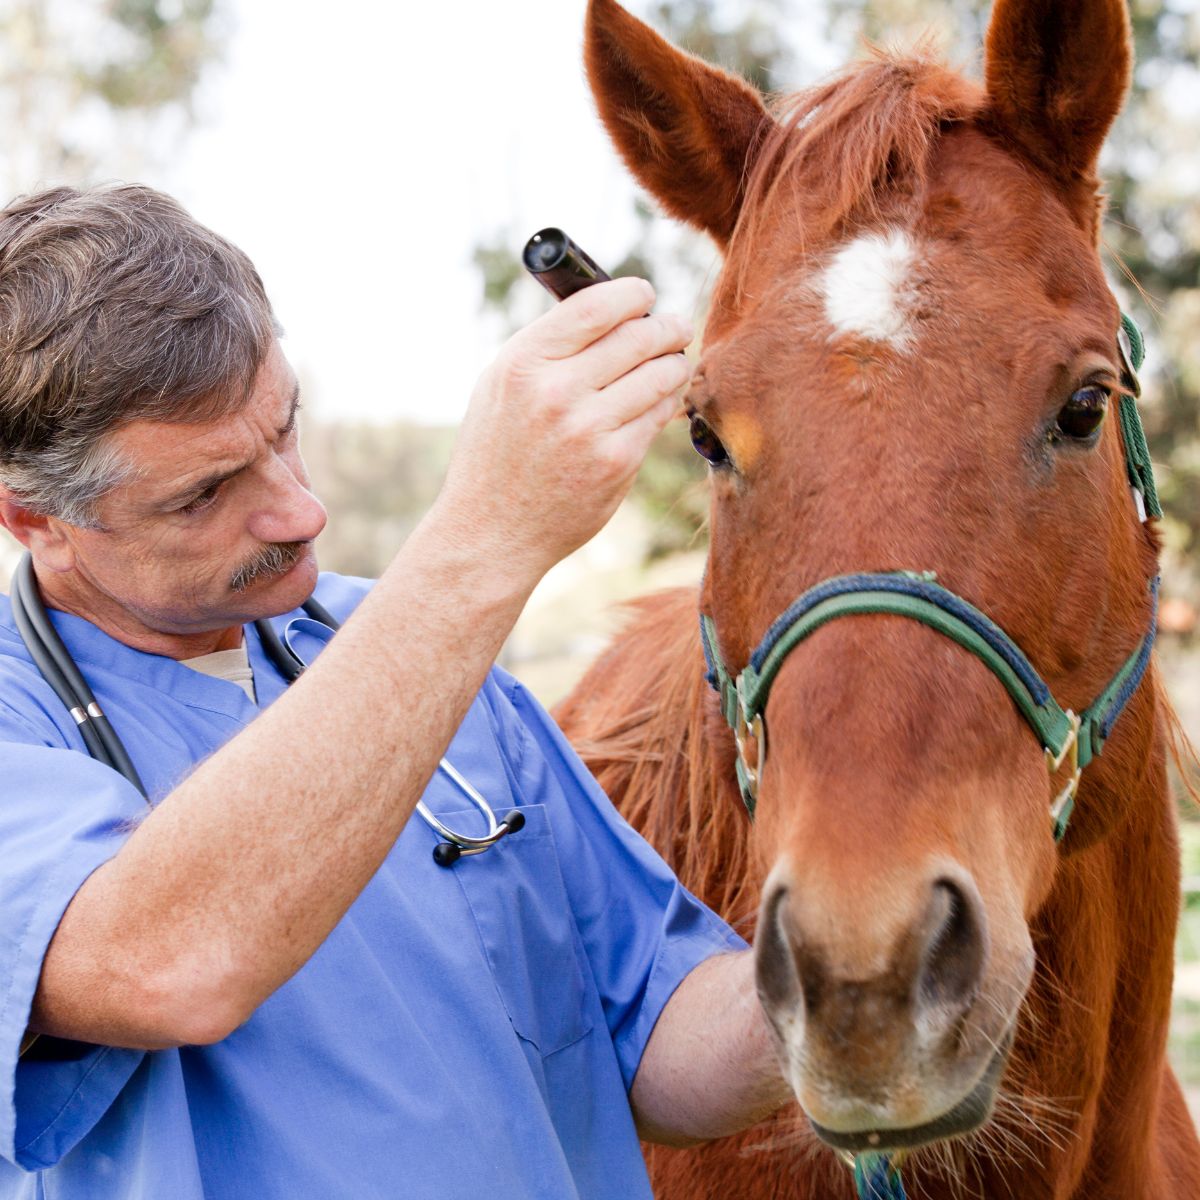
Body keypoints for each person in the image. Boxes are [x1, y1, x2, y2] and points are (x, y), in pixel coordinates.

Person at [0, 185, 789, 1199]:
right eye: (203, 494)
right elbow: (166, 964)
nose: (298, 511)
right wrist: (488, 536)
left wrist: (825, 997)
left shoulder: (413, 654)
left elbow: (657, 1035)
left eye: (284, 430)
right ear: (33, 520)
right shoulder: (22, 729)